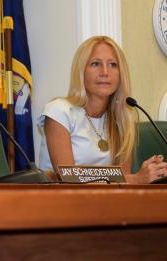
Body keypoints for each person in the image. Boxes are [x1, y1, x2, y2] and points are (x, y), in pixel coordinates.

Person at [39, 35, 167, 183]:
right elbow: (68, 178)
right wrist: (136, 179)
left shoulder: (123, 117)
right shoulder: (59, 111)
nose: (105, 72)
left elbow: (122, 181)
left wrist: (152, 171)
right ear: (81, 71)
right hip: (58, 202)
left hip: (105, 202)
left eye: (113, 64)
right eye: (95, 64)